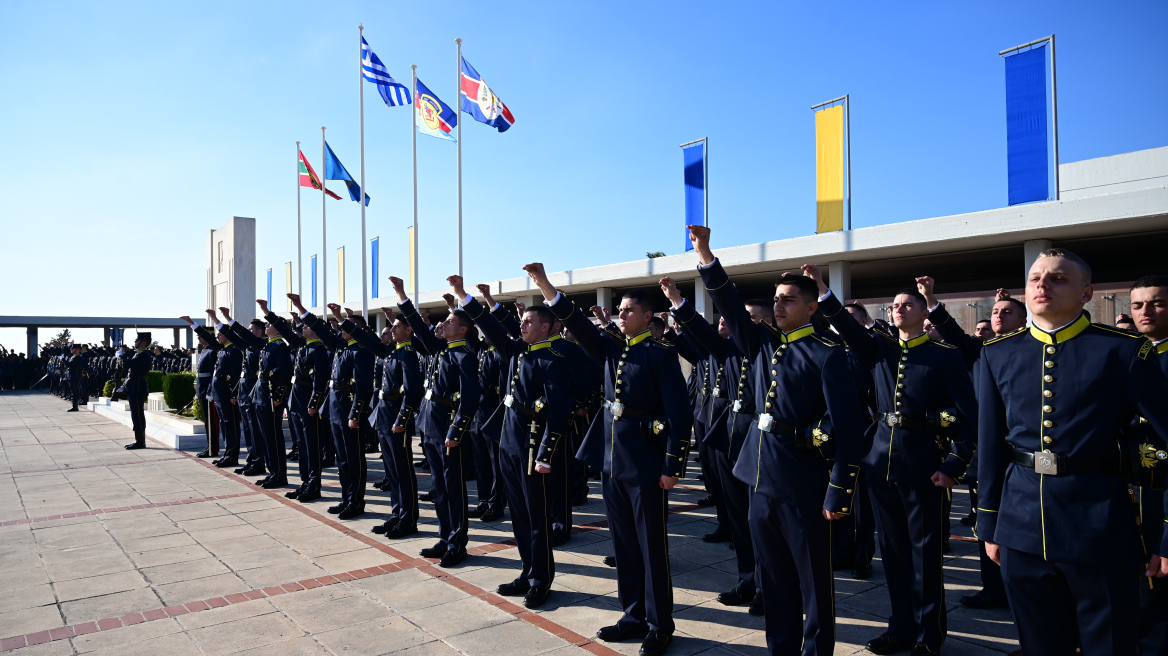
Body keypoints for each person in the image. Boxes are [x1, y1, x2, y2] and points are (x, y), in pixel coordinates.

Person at [977, 249, 1168, 656]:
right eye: (1035, 278)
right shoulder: (998, 353)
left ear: (1087, 293)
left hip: (1100, 529)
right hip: (1021, 528)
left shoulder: (1123, 351)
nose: (1043, 285)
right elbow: (991, 445)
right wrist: (989, 523)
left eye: (1058, 278)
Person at [688, 227, 866, 656]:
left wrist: (838, 491)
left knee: (813, 586)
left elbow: (849, 427)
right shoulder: (765, 344)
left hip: (804, 486)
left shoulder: (828, 355)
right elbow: (727, 301)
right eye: (777, 298)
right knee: (775, 580)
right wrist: (706, 254)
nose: (779, 304)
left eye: (789, 299)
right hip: (760, 479)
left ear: (810, 308)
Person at [805, 264, 977, 656]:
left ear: (922, 312)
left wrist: (953, 465)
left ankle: (929, 636)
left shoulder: (944, 356)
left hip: (923, 467)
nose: (898, 309)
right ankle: (900, 627)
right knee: (894, 553)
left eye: (906, 304)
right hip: (879, 463)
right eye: (894, 305)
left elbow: (970, 417)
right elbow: (847, 328)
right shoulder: (879, 349)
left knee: (925, 554)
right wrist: (820, 288)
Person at [525, 262, 691, 656]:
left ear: (648, 317)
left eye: (629, 310)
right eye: (619, 311)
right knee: (625, 545)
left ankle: (658, 624)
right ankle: (632, 614)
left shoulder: (660, 355)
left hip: (647, 464)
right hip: (613, 461)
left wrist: (673, 466)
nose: (621, 315)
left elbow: (679, 416)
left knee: (651, 548)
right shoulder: (612, 348)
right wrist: (546, 286)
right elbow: (578, 325)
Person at [452, 275, 572, 608]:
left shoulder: (552, 360)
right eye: (521, 322)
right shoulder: (518, 351)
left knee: (536, 519)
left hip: (534, 450)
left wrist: (546, 454)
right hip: (510, 444)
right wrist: (464, 297)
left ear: (546, 327)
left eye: (528, 322)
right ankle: (526, 570)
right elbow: (491, 328)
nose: (522, 326)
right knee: (519, 516)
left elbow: (558, 413)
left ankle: (540, 579)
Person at [917, 281, 1026, 612]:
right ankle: (993, 588)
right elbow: (952, 331)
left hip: (1023, 454)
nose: (998, 316)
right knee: (985, 519)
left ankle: (1022, 592)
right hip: (989, 452)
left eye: (1007, 312)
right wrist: (931, 299)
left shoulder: (1031, 349)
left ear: (1023, 320)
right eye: (995, 312)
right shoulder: (980, 351)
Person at [659, 276, 761, 610]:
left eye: (749, 319)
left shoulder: (772, 349)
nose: (731, 322)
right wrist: (676, 300)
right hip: (729, 437)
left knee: (763, 523)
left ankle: (769, 587)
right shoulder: (727, 348)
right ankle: (748, 580)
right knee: (738, 517)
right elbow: (699, 334)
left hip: (760, 444)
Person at [389, 275, 481, 567]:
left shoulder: (465, 356)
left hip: (448, 431)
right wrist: (403, 296)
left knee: (454, 488)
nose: (444, 324)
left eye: (451, 322)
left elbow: (470, 399)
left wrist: (456, 430)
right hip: (430, 427)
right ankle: (444, 536)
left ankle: (458, 541)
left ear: (463, 329)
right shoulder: (440, 350)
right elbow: (418, 326)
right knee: (439, 487)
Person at [340, 302, 424, 538]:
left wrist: (403, 420)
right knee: (392, 471)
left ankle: (408, 519)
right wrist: (343, 321)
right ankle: (396, 514)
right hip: (385, 417)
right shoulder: (391, 352)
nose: (392, 329)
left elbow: (412, 392)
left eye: (397, 326)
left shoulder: (407, 355)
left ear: (409, 331)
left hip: (397, 420)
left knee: (403, 471)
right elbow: (367, 340)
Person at [300, 304, 375, 519]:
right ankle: (346, 498)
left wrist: (355, 413)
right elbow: (323, 332)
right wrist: (302, 310)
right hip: (336, 408)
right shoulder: (342, 347)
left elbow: (363, 387)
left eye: (345, 328)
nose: (340, 331)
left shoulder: (361, 351)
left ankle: (356, 501)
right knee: (342, 458)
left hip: (349, 409)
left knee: (353, 458)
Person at [1128, 275, 1168, 656]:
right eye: (1138, 305)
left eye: (1156, 303)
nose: (1146, 312)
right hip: (1125, 492)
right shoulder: (1125, 355)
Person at [271, 295, 330, 502]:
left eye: (306, 326)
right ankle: (305, 482)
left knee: (312, 446)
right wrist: (270, 315)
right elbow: (287, 332)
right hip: (296, 404)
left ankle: (314, 485)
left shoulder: (318, 350)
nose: (302, 328)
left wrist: (314, 404)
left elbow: (320, 382)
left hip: (307, 405)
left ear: (316, 330)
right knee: (302, 446)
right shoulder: (303, 346)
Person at [182, 316, 221, 459]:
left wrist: (210, 391)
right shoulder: (205, 350)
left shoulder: (213, 351)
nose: (199, 339)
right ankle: (209, 446)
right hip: (202, 390)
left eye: (201, 337)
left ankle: (213, 448)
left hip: (208, 391)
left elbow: (213, 374)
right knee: (207, 422)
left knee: (212, 423)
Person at [120, 332, 154, 449]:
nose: (135, 342)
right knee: (135, 414)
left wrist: (122, 356)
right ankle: (138, 439)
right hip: (133, 386)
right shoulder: (138, 354)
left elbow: (129, 364)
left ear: (143, 342)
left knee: (138, 414)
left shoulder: (144, 355)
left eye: (137, 340)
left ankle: (140, 441)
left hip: (138, 386)